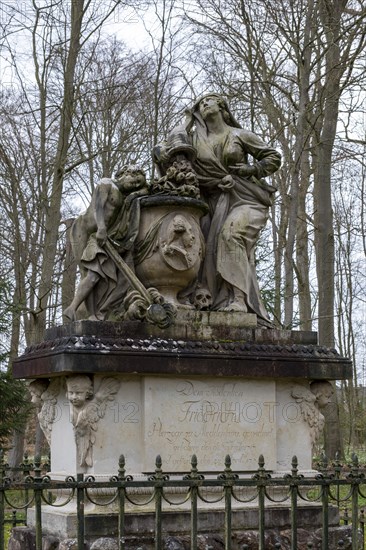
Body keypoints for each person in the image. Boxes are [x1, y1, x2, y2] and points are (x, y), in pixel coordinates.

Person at [180, 93, 281, 323]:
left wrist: (251, 170)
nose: (204, 104)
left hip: (245, 198)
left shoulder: (238, 135)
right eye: (201, 103)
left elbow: (273, 157)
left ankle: (238, 299)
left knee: (231, 233)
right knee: (200, 243)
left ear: (222, 107)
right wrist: (187, 121)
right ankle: (207, 297)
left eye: (209, 100)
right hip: (211, 202)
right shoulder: (196, 140)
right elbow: (172, 152)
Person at [63, 166, 148, 322]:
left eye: (138, 184)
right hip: (87, 232)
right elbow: (98, 207)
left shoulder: (125, 197)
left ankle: (92, 314)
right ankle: (78, 310)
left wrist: (140, 190)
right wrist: (101, 227)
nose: (135, 185)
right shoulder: (107, 183)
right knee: (90, 273)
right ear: (125, 174)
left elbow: (146, 191)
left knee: (96, 276)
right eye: (135, 180)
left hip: (105, 238)